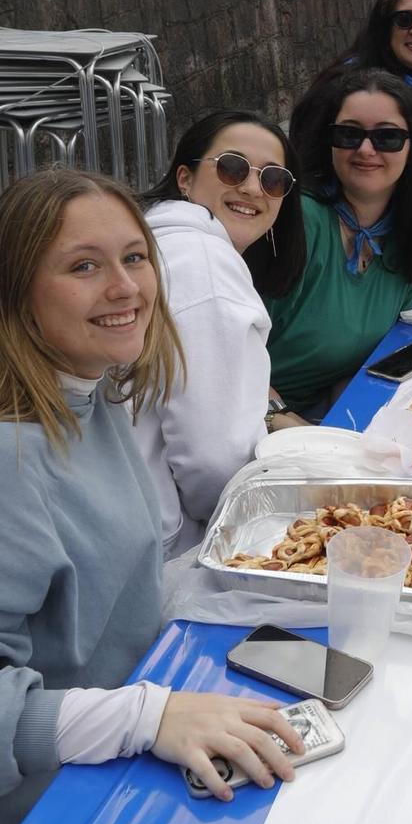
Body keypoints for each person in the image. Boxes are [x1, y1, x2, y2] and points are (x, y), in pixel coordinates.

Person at [0, 171, 303, 824]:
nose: (125, 288)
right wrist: (143, 716)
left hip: (67, 796)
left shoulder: (89, 392)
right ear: (18, 292)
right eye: (83, 266)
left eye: (134, 258)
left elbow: (107, 591)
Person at [135, 112, 305, 558]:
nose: (252, 188)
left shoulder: (161, 241)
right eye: (232, 167)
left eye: (273, 179)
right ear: (185, 179)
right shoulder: (204, 265)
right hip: (172, 547)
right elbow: (217, 462)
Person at [270, 70, 412, 422]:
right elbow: (228, 351)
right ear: (329, 142)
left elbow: (353, 361)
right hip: (259, 416)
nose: (366, 149)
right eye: (349, 134)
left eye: (387, 137)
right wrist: (288, 424)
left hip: (332, 406)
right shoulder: (297, 223)